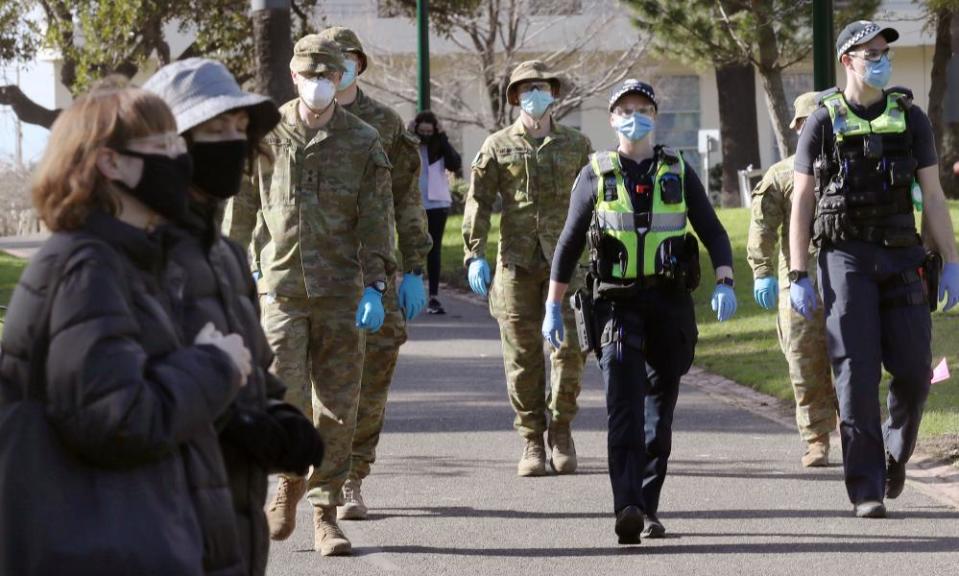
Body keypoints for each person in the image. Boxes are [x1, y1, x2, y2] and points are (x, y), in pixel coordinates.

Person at [0, 81, 252, 574]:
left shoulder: (129, 259)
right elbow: (115, 420)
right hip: (97, 548)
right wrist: (214, 366)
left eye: (179, 144)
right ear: (109, 163)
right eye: (163, 147)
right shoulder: (87, 268)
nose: (180, 160)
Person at [144, 59, 325, 576]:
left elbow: (253, 369)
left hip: (232, 523)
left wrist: (278, 415)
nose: (230, 142)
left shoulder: (224, 256)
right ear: (168, 142)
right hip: (163, 524)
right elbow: (118, 400)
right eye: (212, 129)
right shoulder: (135, 254)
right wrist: (234, 425)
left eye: (238, 129)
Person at [542, 79, 737, 544]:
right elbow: (569, 243)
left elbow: (712, 229)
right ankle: (626, 505)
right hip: (615, 304)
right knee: (623, 408)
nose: (635, 116)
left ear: (655, 114)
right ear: (612, 119)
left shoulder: (676, 167)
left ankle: (649, 506)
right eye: (626, 110)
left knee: (658, 415)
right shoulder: (596, 172)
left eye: (643, 107)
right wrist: (553, 305)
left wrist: (726, 279)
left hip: (669, 304)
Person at [221, 37, 396, 556]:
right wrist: (229, 276)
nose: (320, 83)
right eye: (309, 75)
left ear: (341, 77)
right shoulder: (266, 134)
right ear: (294, 78)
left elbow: (377, 220)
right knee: (285, 393)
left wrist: (377, 283)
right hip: (280, 288)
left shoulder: (363, 140)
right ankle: (290, 478)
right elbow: (242, 208)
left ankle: (325, 511)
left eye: (330, 74)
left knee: (339, 406)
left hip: (343, 291)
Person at [789, 20, 959, 519]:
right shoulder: (822, 121)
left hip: (903, 255)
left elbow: (932, 195)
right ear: (848, 61)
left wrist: (952, 262)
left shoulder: (911, 118)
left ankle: (893, 452)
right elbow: (802, 199)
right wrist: (798, 272)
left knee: (913, 371)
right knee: (856, 375)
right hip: (844, 259)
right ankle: (866, 488)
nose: (881, 59)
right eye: (871, 52)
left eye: (885, 51)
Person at [315, 26, 433, 522]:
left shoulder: (386, 124)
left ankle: (352, 479)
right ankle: (320, 473)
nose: (338, 67)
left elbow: (407, 197)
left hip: (378, 268)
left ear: (359, 64)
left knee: (372, 379)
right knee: (320, 384)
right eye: (329, 59)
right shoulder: (295, 120)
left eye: (348, 58)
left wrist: (417, 268)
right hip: (314, 274)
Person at [463, 60, 592, 477]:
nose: (535, 94)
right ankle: (532, 439)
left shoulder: (577, 145)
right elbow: (479, 201)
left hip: (568, 264)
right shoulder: (497, 145)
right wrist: (474, 252)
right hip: (515, 263)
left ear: (553, 94)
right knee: (522, 356)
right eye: (526, 88)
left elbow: (597, 202)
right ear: (515, 97)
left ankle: (561, 428)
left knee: (570, 351)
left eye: (542, 87)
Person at [747, 91, 839, 468]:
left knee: (852, 361)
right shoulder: (782, 174)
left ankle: (854, 430)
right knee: (804, 364)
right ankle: (816, 438)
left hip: (845, 278)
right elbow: (762, 227)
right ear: (798, 127)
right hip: (797, 283)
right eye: (809, 123)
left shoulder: (846, 166)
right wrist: (762, 272)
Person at [412, 110, 463, 315]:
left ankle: (433, 296)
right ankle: (413, 291)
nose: (425, 135)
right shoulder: (410, 144)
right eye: (421, 131)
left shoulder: (439, 146)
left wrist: (442, 136)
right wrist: (408, 134)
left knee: (434, 250)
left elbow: (454, 163)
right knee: (413, 248)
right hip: (413, 203)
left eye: (429, 131)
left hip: (437, 203)